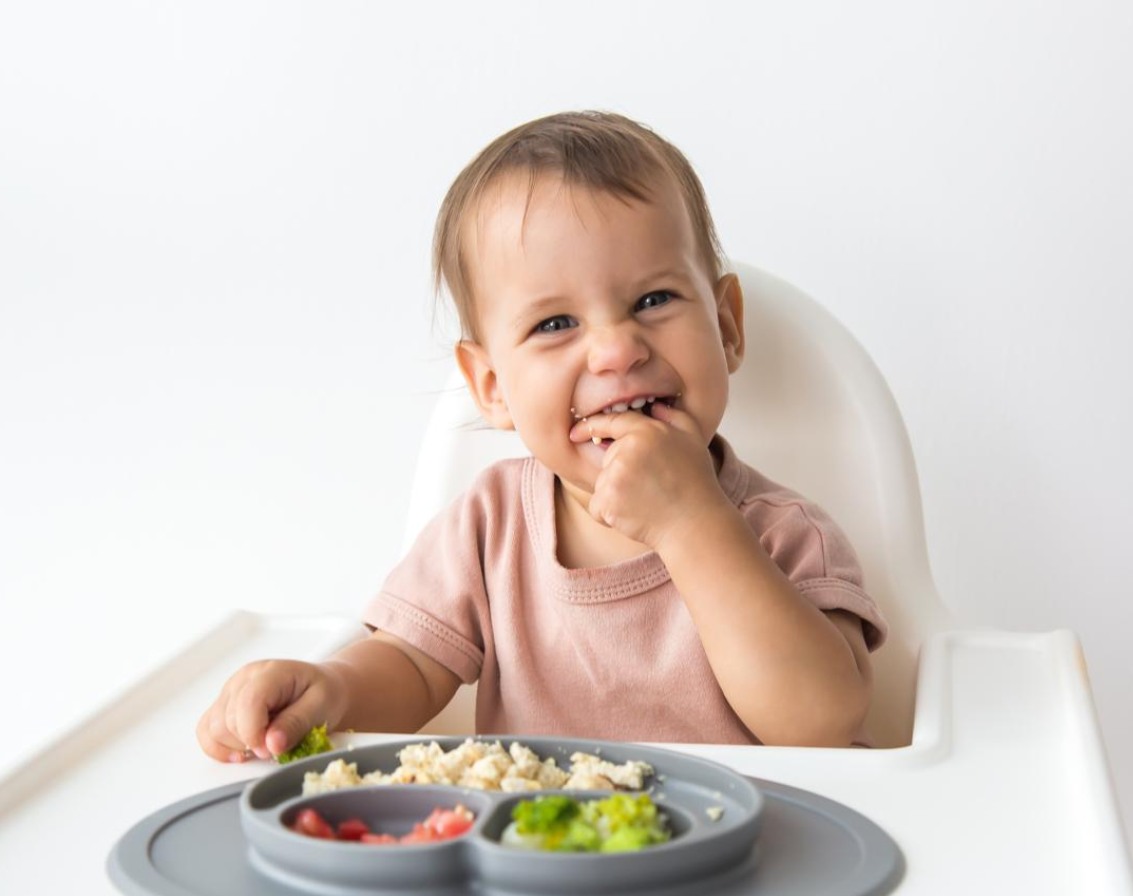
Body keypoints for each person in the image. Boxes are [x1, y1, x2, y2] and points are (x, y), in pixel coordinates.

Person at [197, 111, 887, 763]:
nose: (617, 350)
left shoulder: (787, 536)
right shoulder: (489, 524)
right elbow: (409, 664)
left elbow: (820, 726)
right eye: (556, 324)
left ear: (728, 327)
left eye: (653, 301)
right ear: (492, 384)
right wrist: (333, 690)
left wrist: (692, 523)